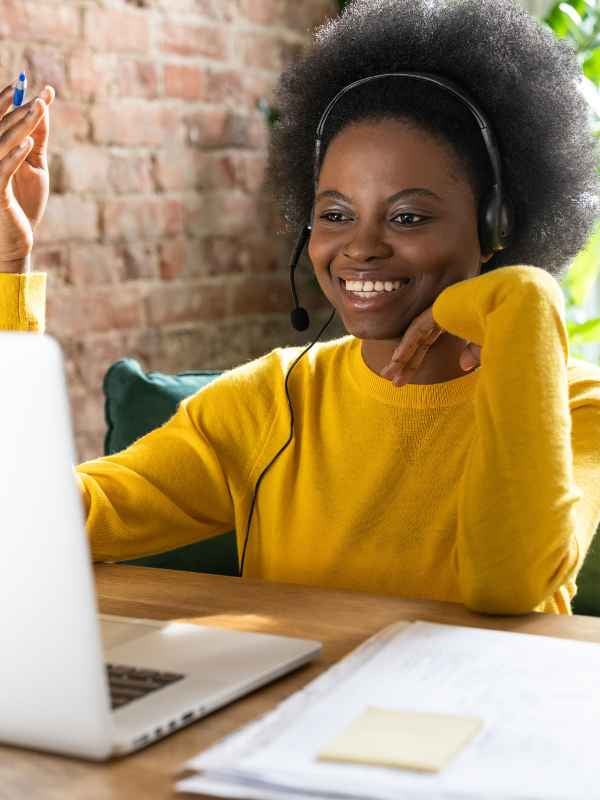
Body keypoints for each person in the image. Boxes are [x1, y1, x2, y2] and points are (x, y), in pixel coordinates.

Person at [1, 0, 599, 616]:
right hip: (298, 710)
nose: (361, 248)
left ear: (496, 225)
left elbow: (507, 583)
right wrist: (9, 265)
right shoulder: (273, 399)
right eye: (335, 215)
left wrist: (525, 297)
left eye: (408, 217)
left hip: (490, 712)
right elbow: (29, 521)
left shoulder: (576, 406)